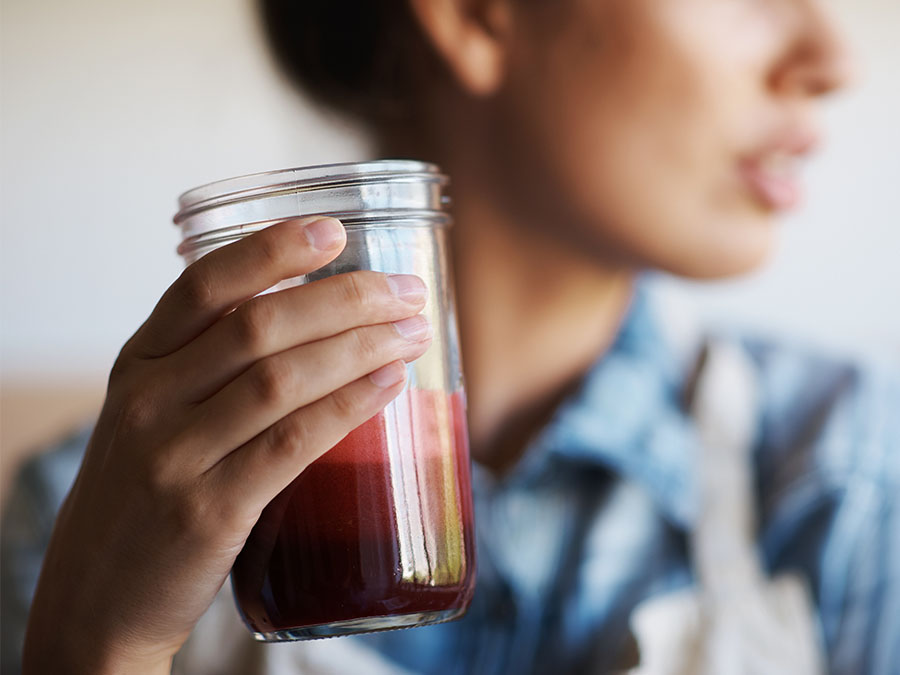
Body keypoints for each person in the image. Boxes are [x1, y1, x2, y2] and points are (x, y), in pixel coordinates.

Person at [3, 0, 898, 673]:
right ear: (474, 15)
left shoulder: (852, 474)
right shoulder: (95, 522)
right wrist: (101, 646)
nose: (832, 59)